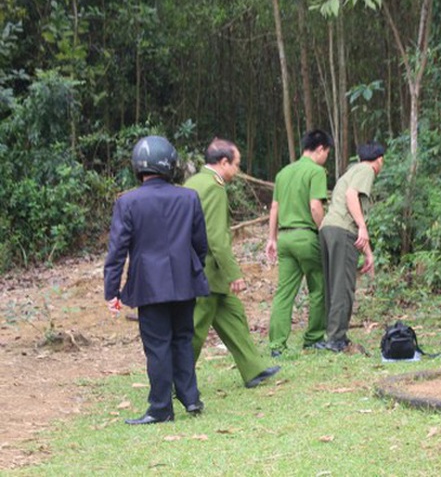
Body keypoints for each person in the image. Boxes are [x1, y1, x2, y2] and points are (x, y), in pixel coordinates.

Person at [104, 135, 209, 425]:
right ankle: (191, 398)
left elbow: (117, 252)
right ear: (171, 165)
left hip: (149, 285)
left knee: (158, 345)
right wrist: (192, 270)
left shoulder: (128, 202)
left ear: (138, 165)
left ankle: (161, 407)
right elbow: (201, 244)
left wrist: (111, 291)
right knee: (182, 339)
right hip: (185, 282)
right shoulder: (188, 197)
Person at [184, 138, 280, 386]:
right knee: (195, 329)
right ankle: (176, 381)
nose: (237, 171)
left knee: (233, 315)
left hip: (199, 268)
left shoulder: (192, 182)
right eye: (236, 165)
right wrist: (233, 274)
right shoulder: (214, 187)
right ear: (223, 162)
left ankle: (254, 369)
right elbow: (216, 238)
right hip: (206, 271)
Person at [265, 130, 333, 357]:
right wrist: (324, 232)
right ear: (321, 148)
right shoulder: (316, 171)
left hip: (284, 238)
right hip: (306, 236)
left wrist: (271, 238)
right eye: (327, 153)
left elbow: (274, 207)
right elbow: (315, 206)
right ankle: (313, 338)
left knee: (284, 292)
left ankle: (277, 345)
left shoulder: (283, 172)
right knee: (319, 287)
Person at [317, 141, 385, 352]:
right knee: (343, 286)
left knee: (332, 285)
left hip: (328, 229)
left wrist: (368, 252)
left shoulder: (352, 170)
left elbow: (354, 218)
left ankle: (332, 334)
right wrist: (363, 227)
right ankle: (336, 339)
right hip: (342, 232)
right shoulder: (367, 170)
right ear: (380, 159)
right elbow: (351, 196)